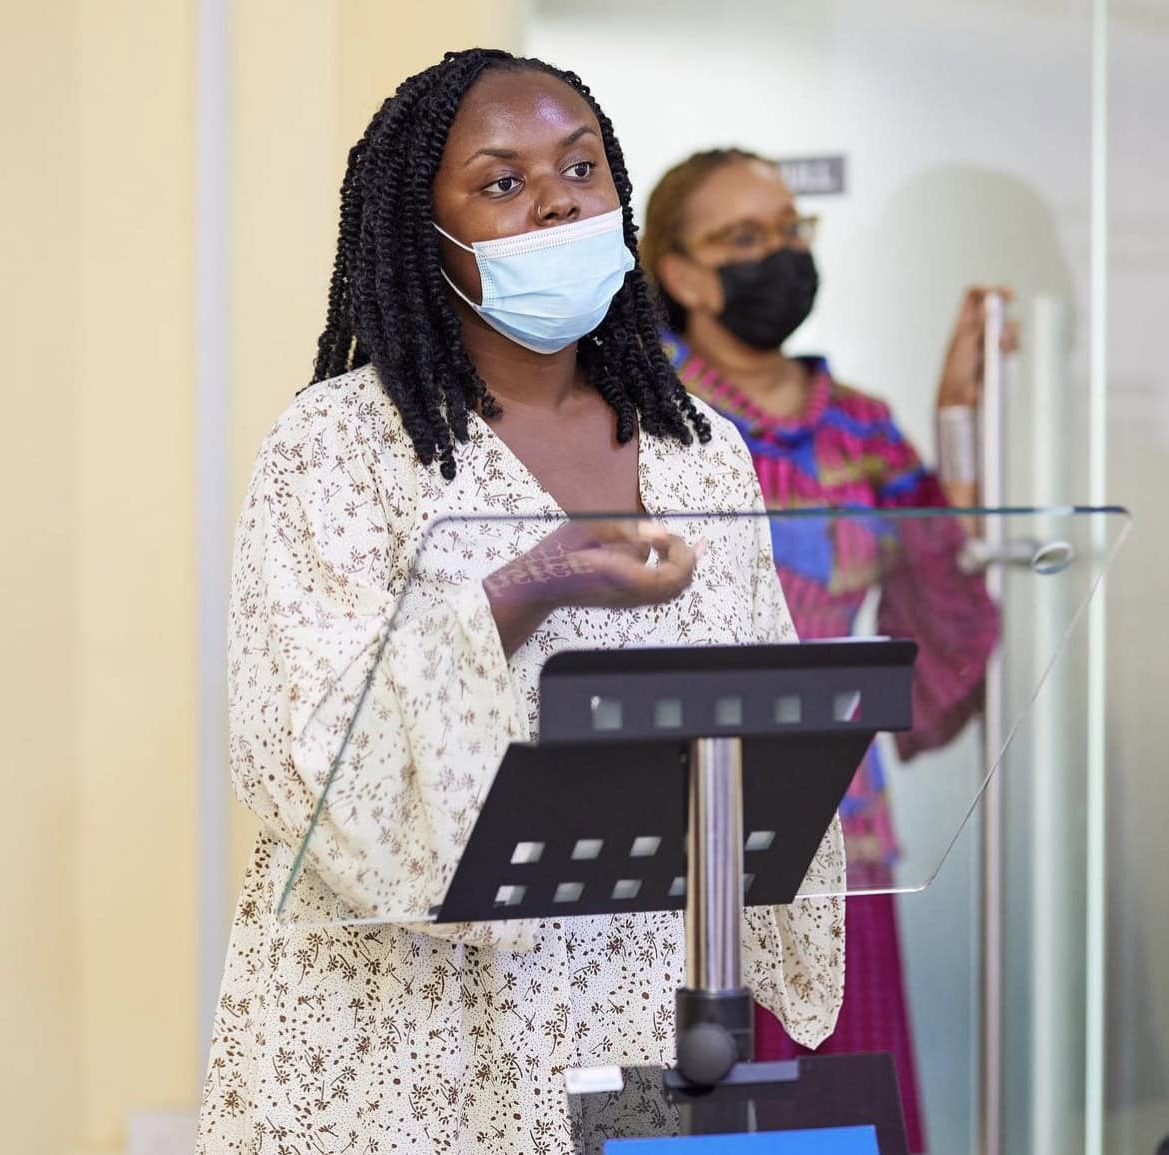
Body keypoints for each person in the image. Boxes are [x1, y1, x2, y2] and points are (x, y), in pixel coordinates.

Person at [196, 55, 846, 1155]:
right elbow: (299, 751)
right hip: (407, 1026)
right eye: (501, 182)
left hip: (645, 1006)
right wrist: (530, 586)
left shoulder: (700, 450)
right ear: (421, 232)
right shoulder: (342, 446)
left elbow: (754, 718)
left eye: (581, 168)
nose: (556, 199)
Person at [641, 147, 1006, 1154]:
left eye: (790, 232)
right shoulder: (639, 414)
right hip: (667, 832)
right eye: (743, 239)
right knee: (681, 1115)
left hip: (838, 827)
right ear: (678, 271)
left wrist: (959, 426)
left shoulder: (862, 425)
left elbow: (941, 597)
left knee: (841, 1112)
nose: (778, 256)